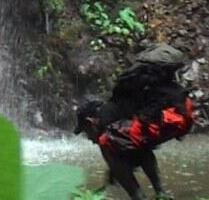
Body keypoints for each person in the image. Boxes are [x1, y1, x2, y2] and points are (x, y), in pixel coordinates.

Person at [74, 44, 194, 199]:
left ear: (91, 122)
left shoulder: (106, 120)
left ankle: (138, 197)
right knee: (139, 147)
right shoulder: (117, 109)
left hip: (169, 116)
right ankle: (161, 193)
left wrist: (115, 169)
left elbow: (117, 149)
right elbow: (140, 147)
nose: (90, 140)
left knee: (106, 144)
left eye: (86, 133)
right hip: (184, 111)